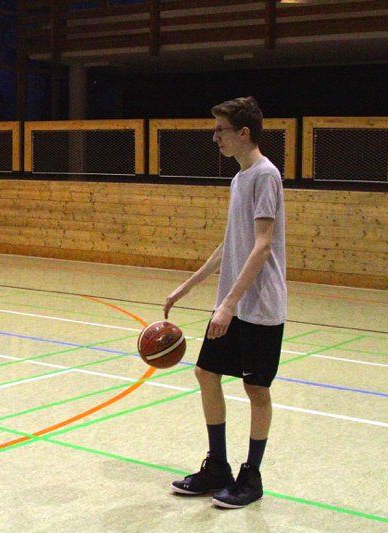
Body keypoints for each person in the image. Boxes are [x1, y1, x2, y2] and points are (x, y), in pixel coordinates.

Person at [165, 97, 287, 509]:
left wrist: (229, 303)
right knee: (206, 372)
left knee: (256, 388)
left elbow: (262, 245)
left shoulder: (265, 175)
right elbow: (230, 244)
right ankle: (218, 465)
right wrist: (187, 287)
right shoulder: (239, 178)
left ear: (244, 133)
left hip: (259, 305)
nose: (215, 137)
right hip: (232, 303)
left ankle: (251, 477)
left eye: (221, 130)